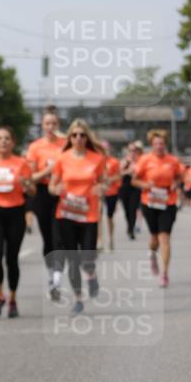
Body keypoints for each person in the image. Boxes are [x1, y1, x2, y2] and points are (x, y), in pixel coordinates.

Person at [48, 119, 106, 314]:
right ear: (70, 138)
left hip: (89, 215)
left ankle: (91, 275)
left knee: (87, 258)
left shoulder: (96, 158)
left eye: (82, 135)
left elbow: (104, 182)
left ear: (87, 137)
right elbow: (52, 185)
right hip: (66, 214)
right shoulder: (62, 158)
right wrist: (55, 189)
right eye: (74, 135)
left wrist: (101, 188)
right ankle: (79, 298)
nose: (78, 138)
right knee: (73, 258)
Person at [0, 126, 33, 318]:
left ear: (13, 142)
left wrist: (26, 183)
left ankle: (12, 298)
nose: (3, 141)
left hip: (15, 213)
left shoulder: (21, 163)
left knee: (12, 259)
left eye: (7, 138)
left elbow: (32, 191)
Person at [132, 129, 184, 288]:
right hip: (150, 202)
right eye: (155, 143)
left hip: (168, 202)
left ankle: (164, 274)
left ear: (165, 144)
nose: (159, 146)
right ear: (151, 145)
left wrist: (175, 183)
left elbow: (179, 177)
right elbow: (134, 180)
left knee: (164, 238)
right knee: (154, 238)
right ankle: (152, 255)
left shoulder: (173, 160)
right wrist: (145, 184)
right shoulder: (145, 160)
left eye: (161, 143)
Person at [26, 110, 65, 299]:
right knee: (48, 238)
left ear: (58, 125)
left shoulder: (65, 144)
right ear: (42, 126)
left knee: (59, 238)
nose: (50, 127)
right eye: (47, 123)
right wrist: (49, 170)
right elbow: (31, 177)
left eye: (53, 123)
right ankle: (51, 276)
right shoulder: (35, 147)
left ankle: (57, 280)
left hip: (60, 194)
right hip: (42, 194)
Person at [119, 141, 143, 240]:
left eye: (135, 150)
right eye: (131, 150)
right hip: (125, 187)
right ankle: (129, 225)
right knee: (126, 210)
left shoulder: (140, 161)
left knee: (133, 209)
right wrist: (128, 171)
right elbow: (119, 174)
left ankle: (131, 229)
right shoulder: (124, 161)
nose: (133, 152)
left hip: (135, 188)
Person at [101, 143, 122, 251]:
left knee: (109, 217)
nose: (104, 151)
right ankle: (99, 241)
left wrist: (109, 179)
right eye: (102, 149)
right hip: (99, 193)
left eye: (106, 149)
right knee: (98, 217)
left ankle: (110, 238)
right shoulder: (96, 161)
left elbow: (119, 176)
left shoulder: (114, 162)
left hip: (111, 192)